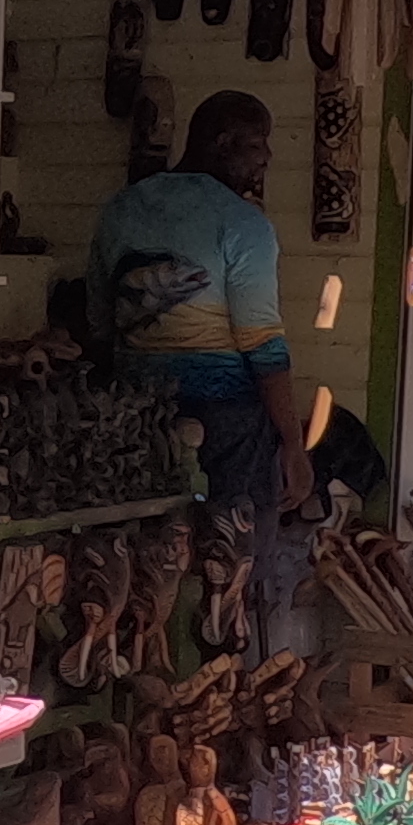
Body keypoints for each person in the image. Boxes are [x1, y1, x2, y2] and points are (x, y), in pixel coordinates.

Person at [91, 88, 309, 611]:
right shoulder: (243, 224)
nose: (266, 158)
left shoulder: (122, 207)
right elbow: (263, 348)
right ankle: (230, 645)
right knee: (235, 561)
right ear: (225, 142)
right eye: (259, 144)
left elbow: (100, 322)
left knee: (140, 567)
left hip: (132, 419)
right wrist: (294, 445)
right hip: (225, 422)